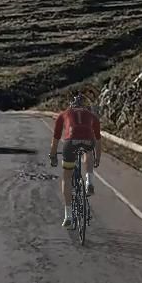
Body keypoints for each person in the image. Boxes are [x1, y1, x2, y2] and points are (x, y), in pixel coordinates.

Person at [49, 92, 101, 229]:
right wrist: (98, 158)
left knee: (67, 177)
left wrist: (53, 156)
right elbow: (98, 140)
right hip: (88, 140)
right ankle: (89, 181)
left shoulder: (63, 114)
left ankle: (68, 216)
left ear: (71, 105)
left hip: (70, 143)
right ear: (84, 106)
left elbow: (55, 139)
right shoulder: (92, 115)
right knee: (88, 151)